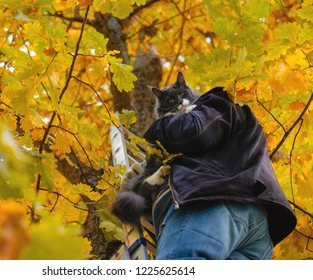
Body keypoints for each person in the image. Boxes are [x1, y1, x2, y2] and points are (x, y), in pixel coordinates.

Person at [124, 86, 296, 260]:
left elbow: (194, 131)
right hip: (259, 228)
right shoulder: (238, 137)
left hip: (211, 201)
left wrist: (158, 126)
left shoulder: (216, 101)